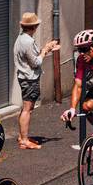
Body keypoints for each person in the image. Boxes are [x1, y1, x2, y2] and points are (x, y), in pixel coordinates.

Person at [13, 12, 59, 151]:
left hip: (23, 77)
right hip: (29, 78)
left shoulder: (21, 38)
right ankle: (24, 140)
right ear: (34, 27)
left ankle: (22, 136)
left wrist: (45, 47)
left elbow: (31, 55)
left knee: (25, 108)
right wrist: (45, 50)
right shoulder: (28, 41)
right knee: (28, 109)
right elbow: (35, 62)